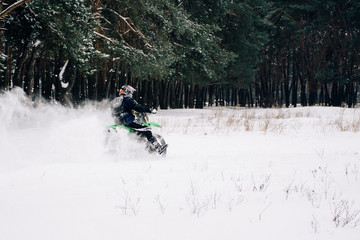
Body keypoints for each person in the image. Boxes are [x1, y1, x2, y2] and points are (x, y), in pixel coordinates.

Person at [111, 85, 161, 151]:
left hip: (118, 122)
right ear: (127, 92)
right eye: (131, 92)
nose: (131, 94)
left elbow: (113, 112)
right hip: (128, 121)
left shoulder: (116, 100)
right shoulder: (127, 99)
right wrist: (149, 110)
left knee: (137, 131)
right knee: (146, 129)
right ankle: (158, 147)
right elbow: (137, 107)